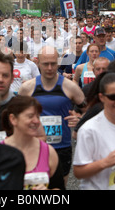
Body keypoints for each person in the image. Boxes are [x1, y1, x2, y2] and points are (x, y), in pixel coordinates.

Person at [18, 46, 86, 184]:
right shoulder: (27, 88)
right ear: (38, 63)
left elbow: (88, 110)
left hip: (61, 147)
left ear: (58, 63)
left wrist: (80, 119)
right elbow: (16, 116)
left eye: (53, 63)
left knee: (59, 188)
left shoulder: (70, 86)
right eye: (45, 64)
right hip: (34, 146)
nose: (49, 68)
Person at [1, 96, 65, 190]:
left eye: (38, 116)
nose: (36, 121)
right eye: (30, 116)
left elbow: (59, 188)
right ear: (13, 119)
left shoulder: (48, 152)